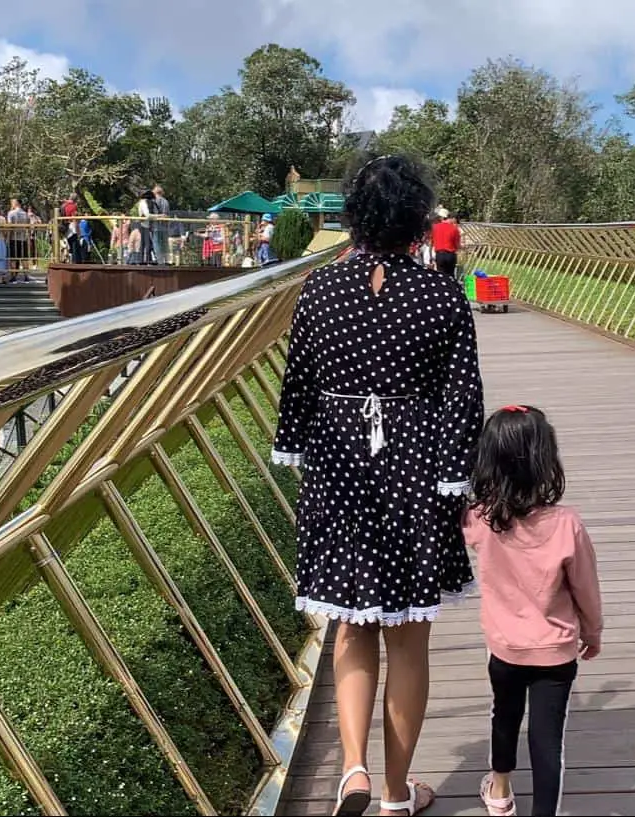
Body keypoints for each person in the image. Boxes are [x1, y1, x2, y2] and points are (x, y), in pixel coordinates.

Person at [271, 155, 484, 817]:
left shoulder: (320, 290)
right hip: (413, 469)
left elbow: (298, 382)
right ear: (420, 220)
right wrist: (454, 476)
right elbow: (462, 401)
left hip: (339, 463)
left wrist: (298, 446)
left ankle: (354, 769)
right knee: (408, 638)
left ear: (355, 217)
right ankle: (396, 791)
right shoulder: (442, 296)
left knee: (350, 626)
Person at [464, 406, 603, 817]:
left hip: (504, 649)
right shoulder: (567, 525)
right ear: (546, 460)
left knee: (504, 717)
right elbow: (586, 589)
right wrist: (592, 631)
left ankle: (500, 791)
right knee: (547, 741)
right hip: (556, 653)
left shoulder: (479, 519)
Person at [431, 208, 461, 279]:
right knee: (450, 275)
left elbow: (431, 242)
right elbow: (457, 245)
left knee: (441, 275)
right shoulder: (454, 229)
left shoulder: (435, 227)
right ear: (451, 218)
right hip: (450, 255)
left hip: (439, 254)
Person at [7, 198, 30, 279]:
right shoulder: (25, 214)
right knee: (24, 258)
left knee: (13, 258)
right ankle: (26, 275)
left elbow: (10, 226)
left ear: (16, 203)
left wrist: (8, 238)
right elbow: (28, 226)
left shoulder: (11, 213)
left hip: (14, 238)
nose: (11, 205)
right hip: (23, 238)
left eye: (12, 203)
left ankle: (13, 276)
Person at [152, 184, 171, 264]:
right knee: (165, 244)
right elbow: (167, 214)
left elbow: (153, 213)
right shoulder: (166, 202)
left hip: (156, 226)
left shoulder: (154, 201)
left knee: (156, 244)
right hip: (165, 227)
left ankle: (160, 261)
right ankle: (167, 260)